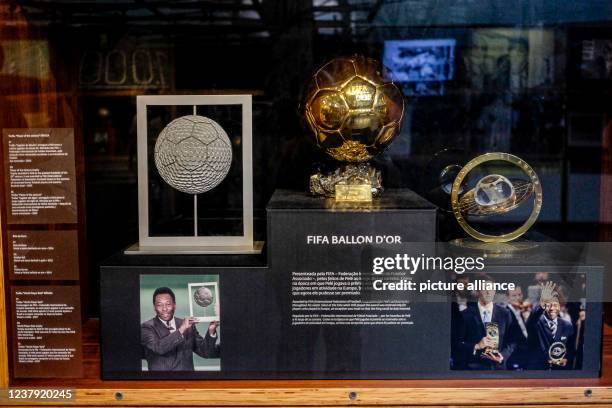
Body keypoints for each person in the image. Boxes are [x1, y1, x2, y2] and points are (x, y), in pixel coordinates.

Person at [141, 287, 220, 371]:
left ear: (174, 305)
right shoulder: (146, 327)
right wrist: (181, 329)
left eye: (168, 304)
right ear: (154, 307)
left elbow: (205, 352)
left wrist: (211, 331)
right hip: (161, 382)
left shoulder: (189, 326)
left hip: (186, 382)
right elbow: (159, 348)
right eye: (159, 305)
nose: (164, 309)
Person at [455, 275, 517, 369]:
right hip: (474, 370)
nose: (488, 292)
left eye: (491, 288)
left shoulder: (505, 314)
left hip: (499, 369)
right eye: (485, 288)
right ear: (478, 291)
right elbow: (457, 345)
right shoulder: (465, 315)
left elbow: (512, 341)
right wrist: (476, 346)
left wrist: (503, 356)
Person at [526, 281, 574, 369]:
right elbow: (531, 320)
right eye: (548, 304)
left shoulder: (567, 325)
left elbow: (571, 350)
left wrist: (566, 359)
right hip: (537, 372)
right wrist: (541, 304)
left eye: (555, 304)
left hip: (559, 374)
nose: (552, 308)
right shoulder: (536, 323)